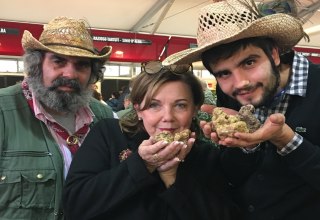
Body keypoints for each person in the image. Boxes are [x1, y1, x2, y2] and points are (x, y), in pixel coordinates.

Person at [163, 0, 320, 219]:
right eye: (224, 73)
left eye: (249, 63)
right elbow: (234, 176)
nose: (240, 84)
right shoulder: (230, 95)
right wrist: (247, 145)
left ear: (274, 54)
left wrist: (285, 139)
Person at [63, 60, 241, 220]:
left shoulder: (205, 154)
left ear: (194, 109)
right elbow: (75, 205)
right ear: (138, 109)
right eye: (154, 105)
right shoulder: (109, 134)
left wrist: (171, 176)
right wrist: (143, 164)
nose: (167, 117)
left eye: (180, 105)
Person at [0, 16, 115, 220]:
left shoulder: (104, 117)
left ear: (92, 74)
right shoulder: (3, 111)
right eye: (58, 61)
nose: (69, 74)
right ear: (37, 64)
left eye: (81, 65)